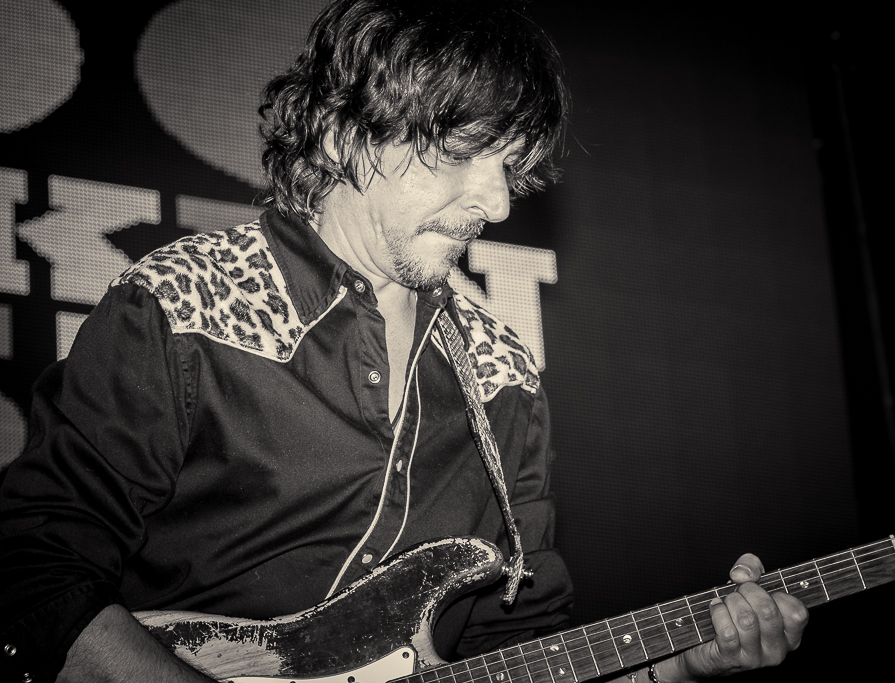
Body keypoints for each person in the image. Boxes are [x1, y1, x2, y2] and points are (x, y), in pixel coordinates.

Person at [0, 2, 808, 682]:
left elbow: (517, 647)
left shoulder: (503, 373)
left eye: (510, 166)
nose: (497, 203)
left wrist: (679, 666)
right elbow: (36, 574)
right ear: (342, 133)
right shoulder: (183, 299)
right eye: (462, 153)